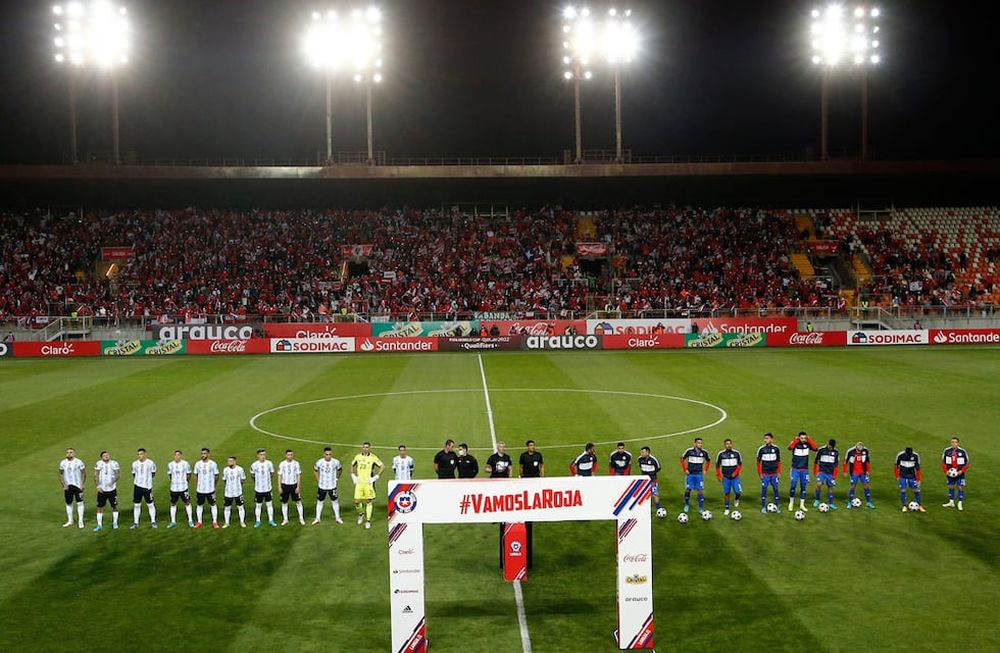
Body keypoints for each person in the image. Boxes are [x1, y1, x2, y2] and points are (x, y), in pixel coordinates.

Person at [351, 442, 383, 529]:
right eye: (364, 447)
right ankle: (361, 514)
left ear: (369, 448)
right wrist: (353, 475)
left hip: (368, 483)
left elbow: (382, 466)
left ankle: (368, 521)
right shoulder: (358, 456)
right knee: (357, 501)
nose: (365, 449)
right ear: (362, 448)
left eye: (367, 447)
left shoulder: (373, 457)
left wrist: (376, 477)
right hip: (359, 482)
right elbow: (352, 465)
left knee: (368, 501)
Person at [787, 431, 818, 512]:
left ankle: (802, 505)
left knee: (803, 487)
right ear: (798, 438)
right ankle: (791, 503)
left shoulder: (808, 444)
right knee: (793, 485)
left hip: (804, 470)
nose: (803, 439)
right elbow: (790, 448)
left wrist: (809, 439)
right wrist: (796, 440)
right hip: (795, 469)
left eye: (805, 438)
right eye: (802, 438)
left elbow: (815, 448)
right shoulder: (795, 444)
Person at [680, 437, 711, 514]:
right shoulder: (689, 451)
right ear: (695, 443)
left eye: (701, 443)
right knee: (688, 489)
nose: (700, 444)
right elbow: (682, 459)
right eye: (698, 443)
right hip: (690, 474)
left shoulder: (704, 452)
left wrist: (705, 470)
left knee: (700, 490)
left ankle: (700, 508)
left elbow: (708, 461)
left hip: (699, 474)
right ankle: (687, 504)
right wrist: (685, 469)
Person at [313, 447, 343, 525]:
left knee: (335, 501)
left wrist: (337, 478)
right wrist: (318, 480)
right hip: (322, 486)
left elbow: (340, 470)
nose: (328, 456)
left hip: (332, 486)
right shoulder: (319, 462)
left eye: (330, 454)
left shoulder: (336, 462)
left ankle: (338, 518)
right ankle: (317, 518)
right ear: (324, 454)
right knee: (320, 501)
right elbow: (315, 470)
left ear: (331, 454)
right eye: (326, 454)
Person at [58, 447, 86, 529]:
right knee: (68, 503)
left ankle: (80, 521)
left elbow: (84, 473)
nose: (69, 454)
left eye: (71, 452)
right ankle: (70, 520)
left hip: (77, 486)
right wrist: (64, 485)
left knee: (80, 502)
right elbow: (60, 474)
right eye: (67, 452)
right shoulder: (63, 463)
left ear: (74, 453)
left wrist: (82, 484)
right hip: (68, 486)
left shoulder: (79, 462)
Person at [192, 447, 219, 529]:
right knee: (199, 505)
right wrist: (197, 485)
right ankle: (199, 522)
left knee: (213, 505)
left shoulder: (213, 464)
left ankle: (215, 522)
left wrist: (214, 485)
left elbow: (216, 475)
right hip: (200, 490)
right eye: (202, 453)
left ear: (208, 454)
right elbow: (195, 475)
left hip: (210, 489)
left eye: (204, 453)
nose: (203, 455)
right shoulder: (197, 464)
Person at [130, 448, 157, 529]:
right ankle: (136, 523)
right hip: (137, 487)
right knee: (136, 505)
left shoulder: (150, 463)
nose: (140, 456)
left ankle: (153, 521)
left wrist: (147, 481)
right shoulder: (135, 464)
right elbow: (134, 474)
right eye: (138, 454)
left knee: (150, 504)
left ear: (145, 454)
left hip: (147, 487)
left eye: (141, 454)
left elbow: (153, 473)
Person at [249, 448, 277, 528]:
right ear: (258, 456)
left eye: (264, 454)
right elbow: (252, 475)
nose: (263, 456)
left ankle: (271, 520)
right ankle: (258, 521)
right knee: (258, 505)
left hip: (268, 489)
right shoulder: (254, 465)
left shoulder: (269, 463)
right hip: (258, 489)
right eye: (261, 455)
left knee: (269, 504)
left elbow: (272, 473)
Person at [93, 450, 120, 531]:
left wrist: (112, 482)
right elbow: (96, 475)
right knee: (100, 507)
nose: (106, 456)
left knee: (114, 506)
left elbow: (118, 474)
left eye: (107, 454)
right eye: (104, 455)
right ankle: (99, 525)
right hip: (102, 489)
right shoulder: (98, 463)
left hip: (112, 489)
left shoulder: (114, 463)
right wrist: (98, 486)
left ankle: (115, 522)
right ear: (101, 457)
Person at [166, 449, 194, 529]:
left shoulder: (185, 464)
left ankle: (190, 520)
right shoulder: (170, 465)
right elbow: (170, 475)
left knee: (187, 502)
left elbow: (189, 474)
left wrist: (185, 482)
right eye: (175, 455)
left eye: (178, 455)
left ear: (181, 456)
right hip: (174, 488)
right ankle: (173, 521)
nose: (177, 456)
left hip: (183, 487)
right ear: (174, 456)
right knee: (173, 503)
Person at [941, 436, 970, 511]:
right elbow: (943, 462)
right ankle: (951, 502)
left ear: (958, 443)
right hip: (950, 473)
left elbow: (967, 463)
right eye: (952, 442)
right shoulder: (947, 451)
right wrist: (946, 471)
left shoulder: (962, 451)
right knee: (951, 486)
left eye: (955, 442)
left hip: (960, 473)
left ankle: (960, 503)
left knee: (960, 487)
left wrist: (962, 471)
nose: (953, 443)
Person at [715, 438, 742, 516]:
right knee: (727, 493)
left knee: (738, 492)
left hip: (735, 477)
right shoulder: (721, 454)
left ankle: (736, 499)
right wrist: (718, 475)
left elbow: (740, 465)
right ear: (724, 445)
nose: (729, 445)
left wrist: (735, 472)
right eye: (727, 444)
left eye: (730, 444)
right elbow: (717, 466)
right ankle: (727, 508)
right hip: (726, 477)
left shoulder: (737, 453)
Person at [277, 449, 305, 526]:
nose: (290, 456)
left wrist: (298, 486)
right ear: (286, 455)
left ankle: (301, 518)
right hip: (285, 485)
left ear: (293, 455)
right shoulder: (282, 464)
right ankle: (285, 519)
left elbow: (298, 475)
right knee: (284, 502)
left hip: (294, 485)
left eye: (291, 455)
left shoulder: (296, 463)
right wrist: (279, 487)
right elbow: (279, 475)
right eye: (288, 455)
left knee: (298, 502)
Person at [843, 442, 875, 509]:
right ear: (856, 448)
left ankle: (868, 502)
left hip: (863, 472)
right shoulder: (850, 451)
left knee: (866, 486)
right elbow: (845, 461)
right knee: (853, 486)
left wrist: (868, 471)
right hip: (854, 472)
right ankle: (849, 502)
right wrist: (845, 471)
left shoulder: (865, 451)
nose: (860, 451)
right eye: (858, 450)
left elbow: (868, 461)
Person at [756, 433, 782, 513]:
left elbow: (779, 461)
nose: (765, 440)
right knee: (764, 489)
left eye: (767, 438)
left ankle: (776, 506)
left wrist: (779, 472)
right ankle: (763, 507)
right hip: (765, 474)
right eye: (765, 438)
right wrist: (760, 473)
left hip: (774, 473)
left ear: (771, 439)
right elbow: (758, 462)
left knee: (776, 489)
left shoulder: (776, 449)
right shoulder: (761, 449)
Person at [895, 447, 925, 512]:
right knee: (903, 490)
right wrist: (897, 476)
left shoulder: (916, 456)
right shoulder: (900, 455)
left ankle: (919, 505)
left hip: (912, 476)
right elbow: (896, 466)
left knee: (916, 490)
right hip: (902, 476)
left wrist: (918, 479)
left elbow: (918, 469)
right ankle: (904, 506)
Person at [812, 439, 840, 509]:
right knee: (819, 484)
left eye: (832, 447)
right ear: (827, 444)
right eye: (830, 446)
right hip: (821, 471)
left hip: (830, 473)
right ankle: (817, 500)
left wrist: (835, 475)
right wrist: (815, 471)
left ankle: (831, 503)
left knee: (830, 487)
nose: (830, 448)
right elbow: (816, 461)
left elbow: (836, 465)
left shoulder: (836, 452)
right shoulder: (821, 450)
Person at [221, 456, 247, 528]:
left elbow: (242, 479)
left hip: (238, 492)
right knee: (227, 507)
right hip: (228, 492)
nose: (229, 462)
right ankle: (227, 522)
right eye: (228, 461)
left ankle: (242, 522)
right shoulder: (225, 470)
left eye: (231, 461)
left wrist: (238, 486)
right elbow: (224, 480)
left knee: (240, 507)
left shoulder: (240, 469)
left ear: (234, 462)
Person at [636, 446, 664, 513]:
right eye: (641, 452)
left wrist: (652, 473)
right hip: (644, 480)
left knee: (654, 493)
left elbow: (658, 467)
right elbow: (640, 466)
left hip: (652, 479)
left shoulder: (653, 460)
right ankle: (643, 506)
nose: (641, 453)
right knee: (643, 493)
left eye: (643, 452)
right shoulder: (639, 459)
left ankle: (658, 506)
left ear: (648, 453)